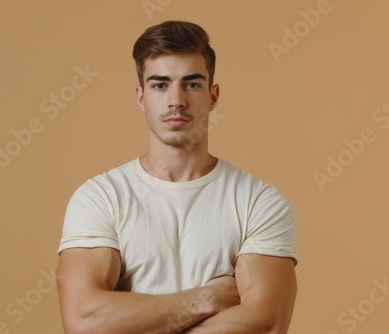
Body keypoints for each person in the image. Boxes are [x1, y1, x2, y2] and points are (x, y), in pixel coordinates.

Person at [56, 20, 298, 334]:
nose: (176, 101)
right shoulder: (100, 198)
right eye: (160, 85)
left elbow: (265, 324)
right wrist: (207, 298)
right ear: (141, 97)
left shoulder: (259, 203)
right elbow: (84, 322)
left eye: (192, 84)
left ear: (213, 96)